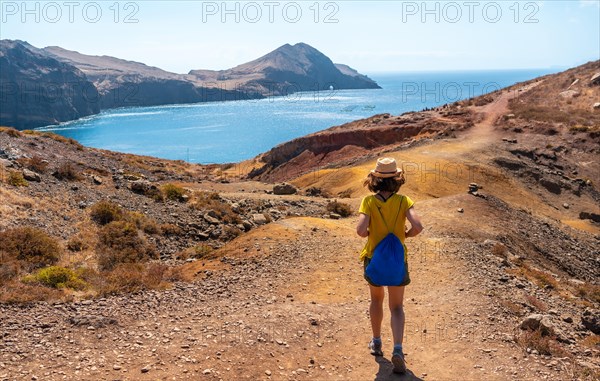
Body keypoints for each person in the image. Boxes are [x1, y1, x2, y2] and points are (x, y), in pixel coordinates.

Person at [356, 157, 423, 374]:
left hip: (374, 258)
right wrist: (405, 235)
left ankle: (376, 343)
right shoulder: (404, 201)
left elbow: (360, 230)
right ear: (397, 179)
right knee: (397, 307)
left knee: (376, 299)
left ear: (375, 179)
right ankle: (398, 349)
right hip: (397, 261)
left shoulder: (368, 202)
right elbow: (418, 226)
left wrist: (370, 233)